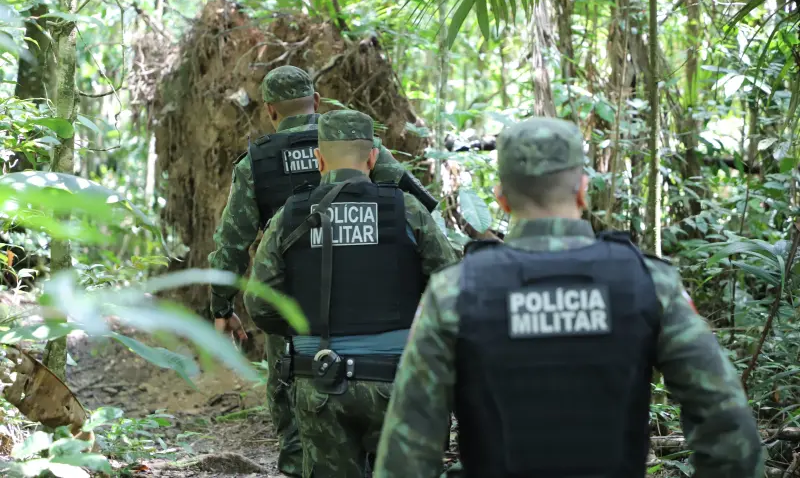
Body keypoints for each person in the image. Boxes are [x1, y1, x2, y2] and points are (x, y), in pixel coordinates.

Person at [373, 117, 764, 478]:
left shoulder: (455, 292)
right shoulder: (647, 282)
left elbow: (408, 451)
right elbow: (728, 427)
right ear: (582, 190)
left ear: (501, 198)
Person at [208, 66, 438, 476]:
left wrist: (222, 307)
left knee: (300, 402)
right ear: (316, 101)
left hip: (297, 313)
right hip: (379, 318)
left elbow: (231, 242)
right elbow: (416, 207)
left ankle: (301, 466)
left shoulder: (256, 163)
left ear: (270, 111)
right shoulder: (356, 144)